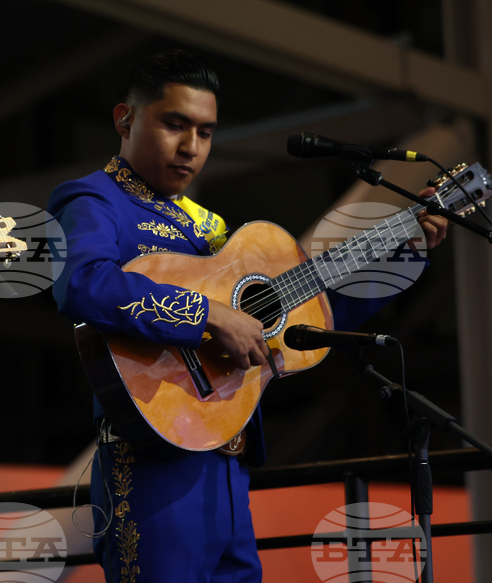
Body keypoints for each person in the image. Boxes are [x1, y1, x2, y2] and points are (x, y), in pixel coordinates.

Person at [47, 50, 449, 581]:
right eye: (174, 124)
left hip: (228, 461)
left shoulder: (208, 229)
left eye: (207, 133)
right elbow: (81, 283)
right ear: (125, 119)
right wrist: (208, 314)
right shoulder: (93, 199)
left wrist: (406, 250)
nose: (191, 147)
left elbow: (311, 315)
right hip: (151, 466)